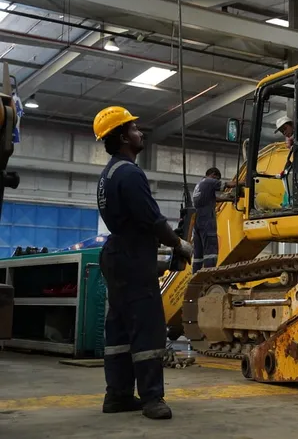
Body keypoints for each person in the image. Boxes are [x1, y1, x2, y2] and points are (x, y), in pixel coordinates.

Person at [94, 106, 193, 420]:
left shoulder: (108, 173)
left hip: (116, 254)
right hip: (134, 256)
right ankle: (152, 399)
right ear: (123, 137)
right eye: (134, 128)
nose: (140, 132)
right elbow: (153, 221)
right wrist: (180, 243)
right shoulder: (130, 173)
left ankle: (118, 395)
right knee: (148, 329)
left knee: (120, 330)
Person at [191, 167, 236, 272]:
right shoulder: (210, 181)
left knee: (198, 254)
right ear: (213, 175)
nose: (217, 181)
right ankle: (208, 276)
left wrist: (228, 199)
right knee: (211, 251)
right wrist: (244, 182)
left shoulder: (200, 185)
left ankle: (196, 276)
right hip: (206, 219)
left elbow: (213, 198)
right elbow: (228, 184)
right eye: (217, 179)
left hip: (197, 221)